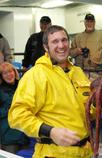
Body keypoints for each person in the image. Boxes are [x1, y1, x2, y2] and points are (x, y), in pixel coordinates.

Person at [8, 25, 94, 158]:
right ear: (46, 47)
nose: (61, 45)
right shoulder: (36, 75)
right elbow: (17, 115)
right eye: (55, 41)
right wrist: (50, 131)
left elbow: (89, 111)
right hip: (53, 152)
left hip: (85, 151)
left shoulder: (78, 72)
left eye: (64, 40)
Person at [70, 13, 102, 80]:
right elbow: (70, 53)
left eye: (91, 21)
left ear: (94, 23)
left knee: (96, 90)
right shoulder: (77, 37)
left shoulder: (101, 35)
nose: (89, 24)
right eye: (87, 21)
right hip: (81, 72)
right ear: (84, 23)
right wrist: (76, 51)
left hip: (97, 72)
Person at [0, 62, 29, 154]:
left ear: (14, 72)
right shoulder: (1, 90)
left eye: (10, 71)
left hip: (25, 133)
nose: (9, 75)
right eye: (5, 73)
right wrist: (10, 110)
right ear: (1, 76)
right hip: (9, 134)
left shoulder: (23, 85)